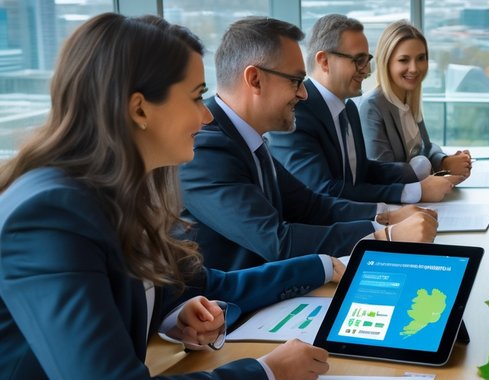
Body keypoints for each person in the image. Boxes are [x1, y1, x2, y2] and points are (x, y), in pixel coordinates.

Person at [0, 13, 333, 380]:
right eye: (197, 96)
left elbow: (192, 285)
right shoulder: (50, 215)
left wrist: (172, 315)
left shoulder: (118, 191)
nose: (206, 116)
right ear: (139, 109)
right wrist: (264, 375)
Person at [180, 17, 436, 272]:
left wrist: (385, 219)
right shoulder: (205, 148)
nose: (303, 93)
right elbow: (278, 241)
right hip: (231, 309)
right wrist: (386, 236)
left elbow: (312, 206)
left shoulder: (250, 138)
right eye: (295, 80)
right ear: (255, 79)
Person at [270, 14, 458, 206]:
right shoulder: (296, 114)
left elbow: (360, 172)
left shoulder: (349, 108)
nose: (367, 70)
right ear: (325, 62)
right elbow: (325, 190)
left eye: (367, 59)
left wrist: (417, 173)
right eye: (359, 60)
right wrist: (412, 191)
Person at [358, 20, 473, 181]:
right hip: (398, 203)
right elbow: (382, 173)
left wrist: (444, 160)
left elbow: (426, 148)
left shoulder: (409, 97)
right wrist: (439, 169)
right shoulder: (372, 106)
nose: (414, 68)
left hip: (420, 198)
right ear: (386, 62)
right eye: (404, 60)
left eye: (421, 58)